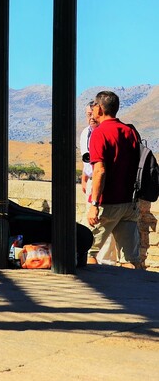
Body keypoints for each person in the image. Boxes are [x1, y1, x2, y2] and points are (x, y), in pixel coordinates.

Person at [86, 90, 142, 268]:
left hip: (106, 204)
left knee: (86, 249)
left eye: (94, 105)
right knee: (131, 259)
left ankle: (92, 293)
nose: (93, 109)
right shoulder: (130, 131)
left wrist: (94, 204)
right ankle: (139, 292)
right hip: (129, 203)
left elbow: (99, 171)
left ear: (100, 109)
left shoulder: (99, 133)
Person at [79, 103, 115, 264]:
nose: (91, 117)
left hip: (102, 183)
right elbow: (86, 160)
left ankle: (103, 262)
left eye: (92, 113)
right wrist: (84, 177)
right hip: (91, 180)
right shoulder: (85, 133)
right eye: (88, 114)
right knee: (92, 223)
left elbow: (100, 168)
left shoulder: (103, 133)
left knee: (102, 222)